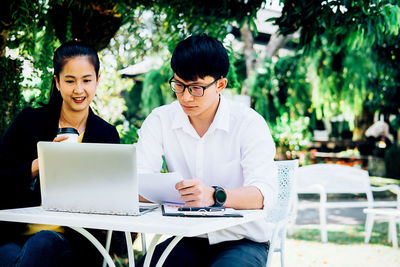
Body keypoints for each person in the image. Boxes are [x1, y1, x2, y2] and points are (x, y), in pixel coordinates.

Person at [136, 34, 277, 267]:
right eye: (179, 85)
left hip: (242, 239)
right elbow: (138, 181)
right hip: (187, 238)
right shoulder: (160, 119)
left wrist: (214, 196)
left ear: (220, 85)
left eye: (196, 88)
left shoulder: (248, 123)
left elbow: (263, 195)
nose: (185, 96)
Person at [0, 40, 121, 266]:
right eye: (70, 80)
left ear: (97, 80)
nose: (79, 89)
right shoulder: (29, 122)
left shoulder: (106, 135)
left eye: (87, 80)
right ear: (57, 82)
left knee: (43, 243)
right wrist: (39, 164)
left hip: (74, 242)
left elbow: (112, 202)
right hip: (15, 234)